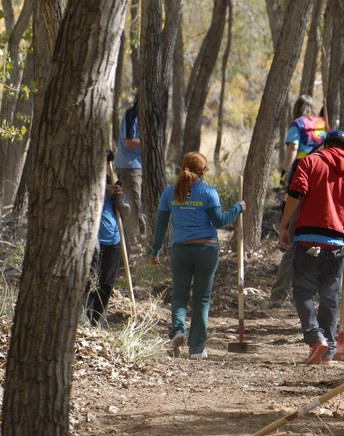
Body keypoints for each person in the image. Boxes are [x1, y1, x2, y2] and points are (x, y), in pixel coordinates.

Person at [279, 130, 344, 365]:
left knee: (302, 291)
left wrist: (284, 225)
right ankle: (328, 352)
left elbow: (295, 193)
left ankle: (315, 338)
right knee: (330, 297)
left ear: (325, 144)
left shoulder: (310, 161)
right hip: (338, 244)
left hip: (308, 238)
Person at [150, 152, 245, 359]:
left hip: (181, 250)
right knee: (202, 300)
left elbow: (160, 225)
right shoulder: (208, 192)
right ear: (203, 170)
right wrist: (238, 208)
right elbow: (219, 221)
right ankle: (196, 349)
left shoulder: (169, 193)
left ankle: (177, 331)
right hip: (206, 250)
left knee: (179, 296)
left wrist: (155, 250)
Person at [269, 95, 328, 308]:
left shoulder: (298, 124)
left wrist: (285, 172)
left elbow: (293, 147)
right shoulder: (323, 124)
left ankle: (278, 295)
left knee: (293, 237)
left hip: (302, 176)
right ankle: (316, 293)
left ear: (296, 109)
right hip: (323, 181)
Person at [85, 173, 130, 327]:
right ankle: (85, 320)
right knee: (90, 282)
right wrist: (104, 190)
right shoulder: (87, 177)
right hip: (92, 240)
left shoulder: (112, 177)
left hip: (114, 241)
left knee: (107, 283)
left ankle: (96, 321)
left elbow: (125, 211)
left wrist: (118, 197)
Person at [114, 96, 143, 251]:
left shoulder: (143, 115)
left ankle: (131, 237)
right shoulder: (132, 114)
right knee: (132, 202)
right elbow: (129, 142)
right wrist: (147, 140)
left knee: (132, 203)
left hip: (135, 166)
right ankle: (132, 240)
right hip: (129, 166)